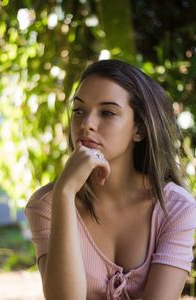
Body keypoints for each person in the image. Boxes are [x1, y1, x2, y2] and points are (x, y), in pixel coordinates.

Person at [25, 59, 196, 300]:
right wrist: (65, 193)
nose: (86, 125)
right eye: (78, 111)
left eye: (107, 112)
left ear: (139, 129)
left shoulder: (175, 208)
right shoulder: (46, 206)